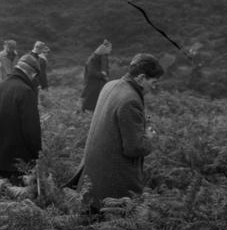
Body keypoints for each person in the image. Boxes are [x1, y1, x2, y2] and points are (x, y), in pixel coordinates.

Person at [69, 54, 164, 212]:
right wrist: (149, 137)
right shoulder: (130, 100)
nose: (153, 87)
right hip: (113, 185)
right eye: (153, 82)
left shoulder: (111, 85)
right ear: (141, 78)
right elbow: (134, 148)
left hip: (94, 177)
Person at [0, 54, 41, 183]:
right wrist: (38, 155)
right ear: (32, 73)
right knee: (20, 198)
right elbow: (31, 130)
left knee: (0, 199)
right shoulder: (26, 91)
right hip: (19, 163)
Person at [80, 40, 112, 112]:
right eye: (109, 48)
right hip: (93, 84)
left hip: (98, 84)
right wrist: (102, 75)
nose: (111, 50)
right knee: (89, 104)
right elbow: (91, 71)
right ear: (104, 49)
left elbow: (104, 69)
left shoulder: (103, 57)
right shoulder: (93, 58)